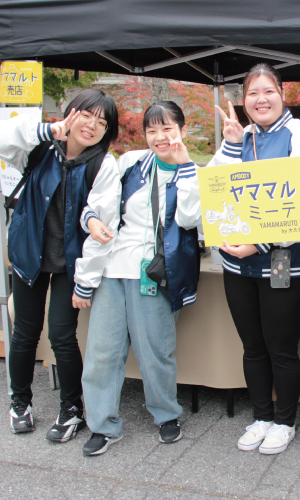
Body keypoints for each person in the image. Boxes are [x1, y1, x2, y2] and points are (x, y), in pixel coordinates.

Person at [0, 89, 119, 442]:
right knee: (25, 333)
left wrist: (86, 280)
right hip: (30, 255)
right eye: (86, 115)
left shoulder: (103, 165)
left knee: (61, 335)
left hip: (70, 263)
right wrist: (44, 130)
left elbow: (103, 224)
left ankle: (71, 410)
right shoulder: (39, 149)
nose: (92, 125)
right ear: (70, 114)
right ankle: (19, 402)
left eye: (102, 122)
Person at [209, 63, 300, 455]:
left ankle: (285, 422)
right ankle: (261, 416)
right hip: (237, 265)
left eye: (268, 91)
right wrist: (229, 146)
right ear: (244, 100)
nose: (261, 100)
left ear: (282, 94)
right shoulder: (240, 137)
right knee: (252, 346)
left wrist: (259, 244)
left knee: (281, 347)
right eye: (252, 93)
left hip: (283, 262)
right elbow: (216, 193)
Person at [73, 101, 201, 456]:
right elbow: (97, 206)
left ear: (182, 130)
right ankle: (102, 425)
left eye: (168, 128)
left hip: (154, 273)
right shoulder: (130, 162)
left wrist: (186, 168)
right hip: (113, 269)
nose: (160, 137)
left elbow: (190, 219)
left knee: (155, 349)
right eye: (152, 130)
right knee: (102, 352)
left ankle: (166, 415)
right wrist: (90, 221)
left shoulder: (192, 171)